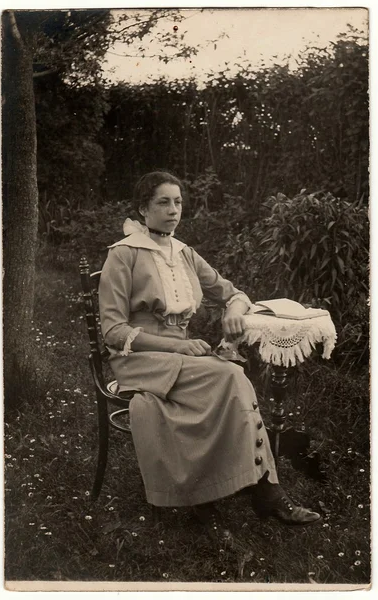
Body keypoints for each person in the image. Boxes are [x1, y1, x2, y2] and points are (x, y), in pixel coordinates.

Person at [98, 171, 321, 543]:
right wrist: (177, 345)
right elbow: (114, 332)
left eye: (178, 202)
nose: (173, 211)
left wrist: (233, 309)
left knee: (228, 375)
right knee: (231, 376)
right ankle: (262, 491)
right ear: (143, 209)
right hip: (141, 356)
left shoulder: (183, 253)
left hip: (182, 354)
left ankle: (242, 490)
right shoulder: (124, 255)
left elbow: (232, 292)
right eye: (163, 202)